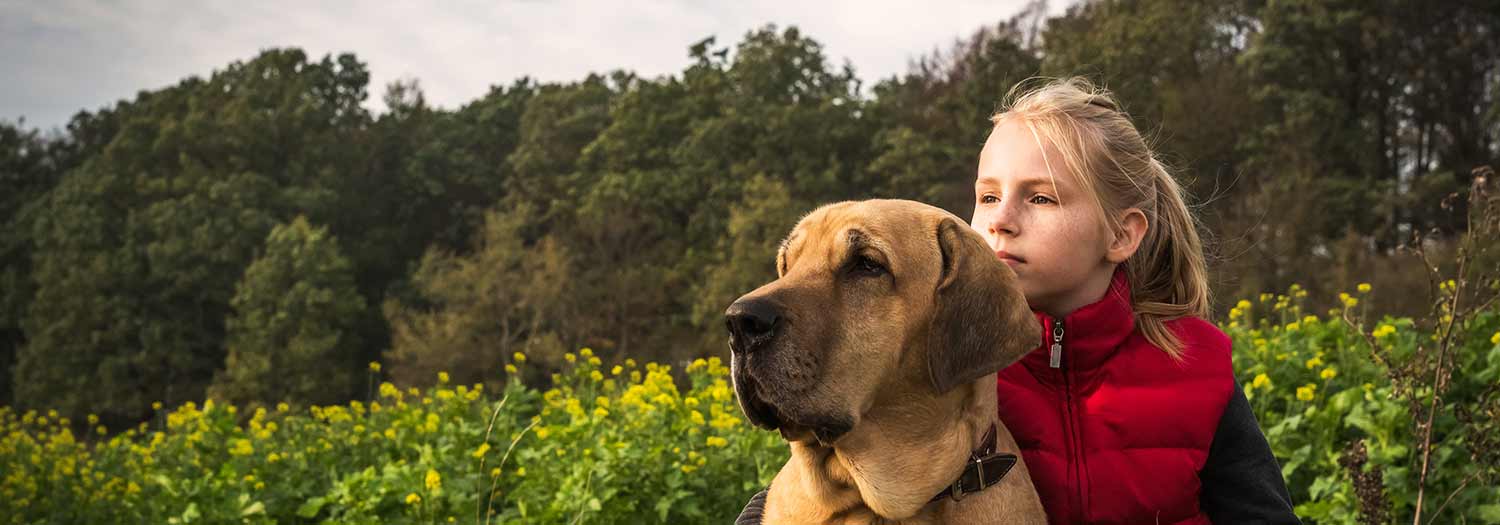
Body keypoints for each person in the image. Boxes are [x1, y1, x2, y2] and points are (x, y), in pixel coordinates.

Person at [973, 77, 1298, 524]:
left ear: (1121, 234)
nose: (1000, 220)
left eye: (1041, 198)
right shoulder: (958, 365)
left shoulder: (1197, 365)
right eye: (988, 196)